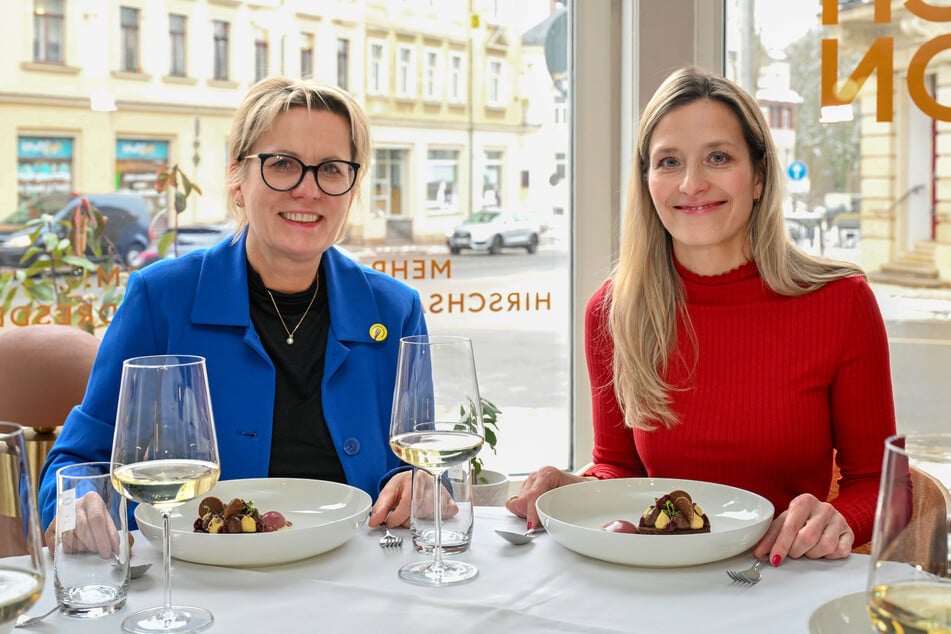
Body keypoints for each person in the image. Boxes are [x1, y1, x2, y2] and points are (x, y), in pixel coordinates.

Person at [505, 66, 896, 566]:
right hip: (659, 581)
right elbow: (621, 469)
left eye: (718, 157)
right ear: (647, 182)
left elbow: (881, 483)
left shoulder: (842, 301)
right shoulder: (611, 311)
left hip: (783, 578)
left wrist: (837, 518)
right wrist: (577, 487)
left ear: (758, 176)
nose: (692, 183)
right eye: (668, 161)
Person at [38, 77, 424, 547]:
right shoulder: (161, 298)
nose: (309, 190)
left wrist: (424, 486)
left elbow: (419, 466)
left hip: (358, 575)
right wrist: (78, 502)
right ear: (237, 179)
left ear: (351, 186)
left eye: (332, 169)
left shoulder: (395, 308)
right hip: (200, 584)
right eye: (282, 164)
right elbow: (79, 460)